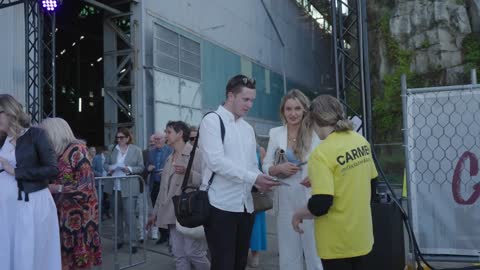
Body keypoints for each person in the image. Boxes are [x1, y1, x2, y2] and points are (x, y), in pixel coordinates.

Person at [199, 74, 280, 270]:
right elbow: (216, 162)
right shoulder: (212, 121)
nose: (250, 104)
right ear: (230, 96)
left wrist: (261, 179)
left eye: (252, 100)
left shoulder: (247, 128)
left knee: (239, 264)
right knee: (223, 264)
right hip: (220, 205)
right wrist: (254, 177)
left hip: (246, 206)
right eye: (246, 99)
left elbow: (251, 165)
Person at [292, 95, 378, 270]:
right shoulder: (360, 141)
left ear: (314, 120)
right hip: (362, 237)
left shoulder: (321, 154)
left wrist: (298, 214)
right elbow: (372, 183)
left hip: (336, 243)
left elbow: (321, 203)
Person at [263, 89, 323, 270]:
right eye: (288, 109)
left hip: (310, 197)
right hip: (285, 196)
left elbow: (327, 163)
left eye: (297, 108)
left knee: (314, 253)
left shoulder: (316, 134)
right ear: (283, 111)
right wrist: (277, 168)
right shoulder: (275, 133)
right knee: (288, 255)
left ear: (305, 109)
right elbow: (266, 165)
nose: (293, 113)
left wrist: (316, 177)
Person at [0, 94, 61, 270]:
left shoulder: (36, 135)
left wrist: (16, 171)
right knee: (7, 251)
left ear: (9, 112)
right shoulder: (2, 139)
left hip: (29, 206)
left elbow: (52, 169)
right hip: (6, 209)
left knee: (28, 253)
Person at [39, 118, 102, 270]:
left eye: (44, 133)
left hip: (79, 218)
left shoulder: (77, 149)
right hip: (63, 217)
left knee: (79, 262)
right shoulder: (57, 152)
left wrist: (57, 188)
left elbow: (87, 186)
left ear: (54, 132)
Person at [148, 121, 210, 270]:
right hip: (171, 212)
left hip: (189, 212)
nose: (166, 135)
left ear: (180, 134)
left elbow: (206, 181)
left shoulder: (196, 154)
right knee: (179, 254)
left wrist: (188, 173)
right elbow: (163, 190)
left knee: (193, 252)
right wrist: (154, 213)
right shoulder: (169, 158)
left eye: (169, 132)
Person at [104, 127, 145, 253]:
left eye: (121, 137)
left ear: (128, 138)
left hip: (129, 187)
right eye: (117, 137)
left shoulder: (136, 150)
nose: (119, 139)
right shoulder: (112, 149)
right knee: (117, 216)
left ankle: (133, 242)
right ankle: (119, 240)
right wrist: (109, 168)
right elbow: (105, 164)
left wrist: (130, 169)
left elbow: (141, 167)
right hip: (114, 187)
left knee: (130, 216)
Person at [146, 132, 172, 243]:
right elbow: (146, 166)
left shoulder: (170, 150)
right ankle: (163, 235)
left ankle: (170, 235)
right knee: (158, 211)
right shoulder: (151, 152)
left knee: (168, 209)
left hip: (167, 184)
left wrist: (167, 171)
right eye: (155, 139)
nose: (156, 141)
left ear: (164, 139)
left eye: (158, 139)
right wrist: (148, 168)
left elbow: (174, 165)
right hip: (155, 184)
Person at [248, 144, 267, 268]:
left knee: (256, 226)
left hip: (255, 191)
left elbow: (265, 168)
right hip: (240, 188)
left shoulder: (259, 150)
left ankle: (255, 254)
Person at [92, 146, 112, 219]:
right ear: (104, 151)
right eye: (107, 151)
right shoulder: (96, 158)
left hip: (108, 182)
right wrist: (100, 175)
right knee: (100, 199)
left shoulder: (110, 158)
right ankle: (99, 216)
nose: (109, 153)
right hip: (99, 182)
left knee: (108, 199)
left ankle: (107, 213)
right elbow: (92, 169)